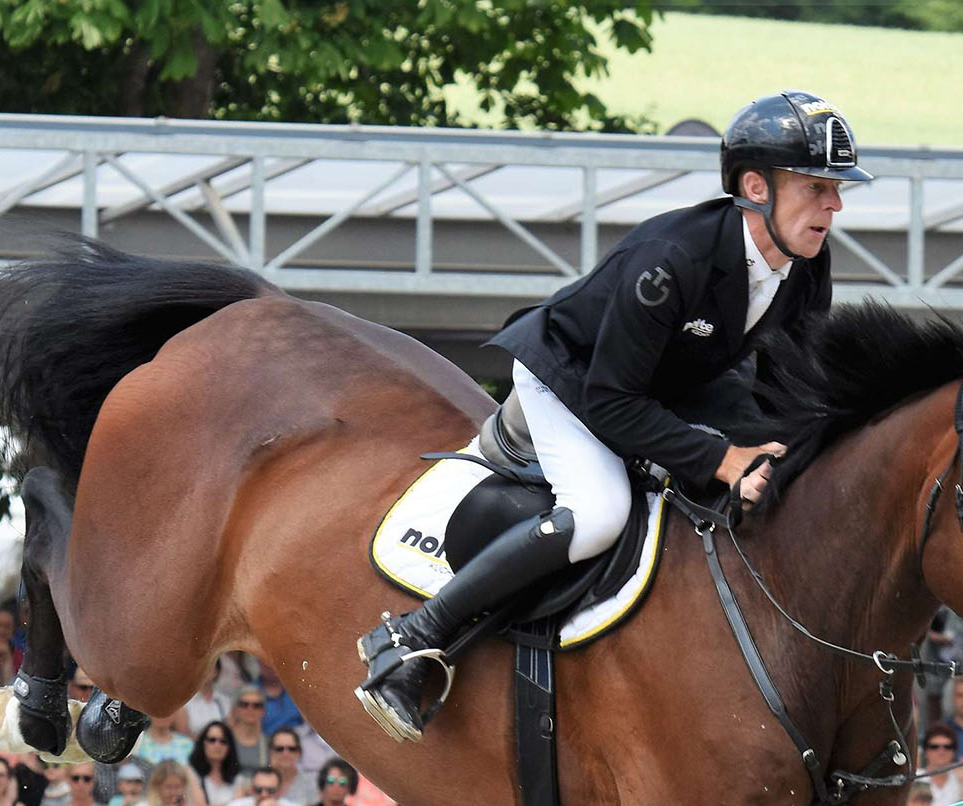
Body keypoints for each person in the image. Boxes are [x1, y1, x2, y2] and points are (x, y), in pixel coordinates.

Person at [356, 89, 868, 742]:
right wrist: (722, 458)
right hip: (571, 381)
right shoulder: (670, 260)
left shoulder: (806, 264)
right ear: (754, 186)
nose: (836, 204)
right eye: (817, 185)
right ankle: (412, 637)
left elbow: (786, 384)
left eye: (837, 187)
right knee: (601, 515)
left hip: (670, 383)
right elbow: (610, 402)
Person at [189, 721, 245, 806]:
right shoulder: (191, 772)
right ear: (203, 743)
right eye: (212, 740)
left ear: (229, 746)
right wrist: (232, 803)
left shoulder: (237, 777)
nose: (217, 745)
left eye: (223, 741)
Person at [921, 724, 963, 806]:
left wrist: (962, 780)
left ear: (954, 752)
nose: (941, 751)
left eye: (947, 747)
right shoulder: (916, 777)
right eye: (934, 747)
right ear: (925, 751)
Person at [267, 726, 318, 806]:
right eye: (279, 749)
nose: (286, 753)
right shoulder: (250, 781)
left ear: (299, 753)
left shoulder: (314, 783)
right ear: (270, 752)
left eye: (292, 749)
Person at [228, 685, 270, 773]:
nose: (250, 709)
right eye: (244, 704)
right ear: (235, 709)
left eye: (257, 705)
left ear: (263, 711)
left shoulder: (269, 743)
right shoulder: (223, 739)